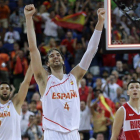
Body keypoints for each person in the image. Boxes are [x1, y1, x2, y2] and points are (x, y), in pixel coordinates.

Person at [24, 4, 105, 140]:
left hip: (74, 133)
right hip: (53, 133)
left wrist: (100, 22)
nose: (55, 56)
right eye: (51, 56)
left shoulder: (74, 76)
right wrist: (28, 18)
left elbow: (91, 50)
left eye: (58, 55)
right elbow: (33, 49)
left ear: (62, 60)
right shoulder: (44, 79)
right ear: (48, 63)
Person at [0, 65, 33, 140]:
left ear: (10, 92)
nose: (4, 90)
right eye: (2, 88)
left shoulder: (15, 104)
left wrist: (31, 66)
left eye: (7, 88)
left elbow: (26, 83)